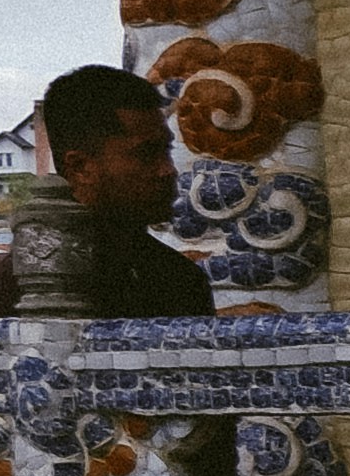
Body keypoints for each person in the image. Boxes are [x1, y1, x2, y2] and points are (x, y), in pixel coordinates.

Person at [28, 66, 226, 316]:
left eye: (166, 151)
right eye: (146, 153)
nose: (168, 170)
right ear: (81, 167)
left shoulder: (177, 279)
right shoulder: (35, 280)